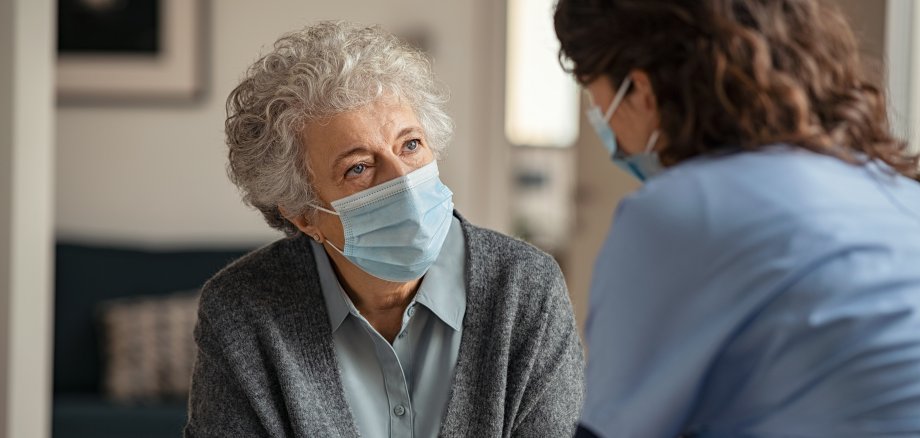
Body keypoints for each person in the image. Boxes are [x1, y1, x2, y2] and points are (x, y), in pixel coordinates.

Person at [183, 21, 584, 438]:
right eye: (358, 167)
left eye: (410, 145)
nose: (403, 181)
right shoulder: (242, 312)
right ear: (304, 215)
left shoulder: (526, 290)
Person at [553, 0, 920, 436]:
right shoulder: (896, 189)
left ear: (640, 90)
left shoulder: (681, 212)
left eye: (595, 97)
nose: (604, 126)